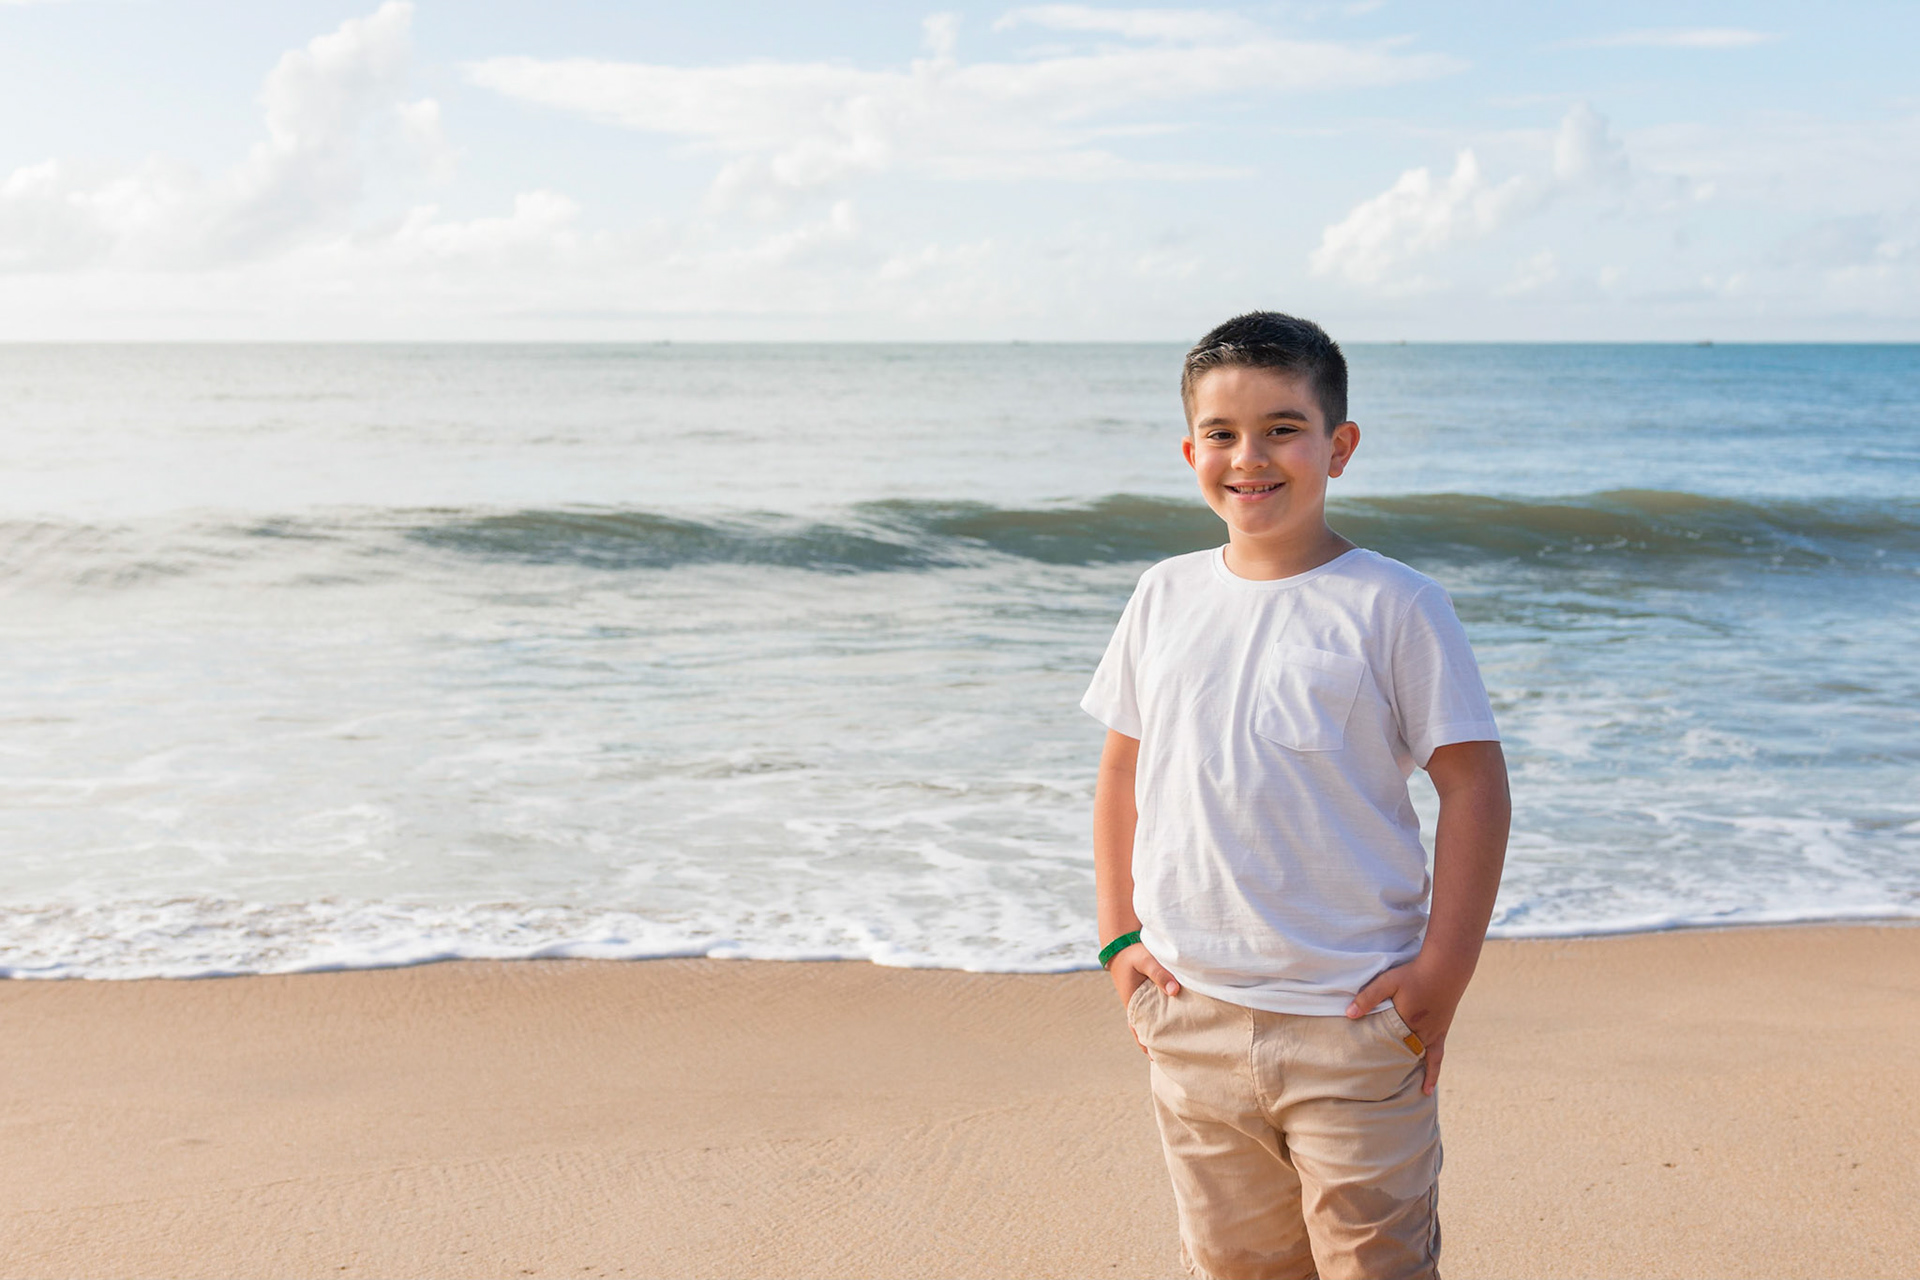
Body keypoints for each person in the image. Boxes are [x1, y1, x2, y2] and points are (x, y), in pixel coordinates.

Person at [1083, 312, 1510, 1280]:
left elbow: (1476, 785)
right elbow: (1122, 770)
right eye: (1224, 434)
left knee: (1376, 1263)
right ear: (1191, 448)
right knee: (1236, 1263)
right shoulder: (1163, 594)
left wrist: (1443, 972)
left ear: (1339, 445)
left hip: (1354, 1018)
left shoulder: (1394, 604)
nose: (1251, 456)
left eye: (1282, 427)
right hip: (1190, 1008)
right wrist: (1118, 937)